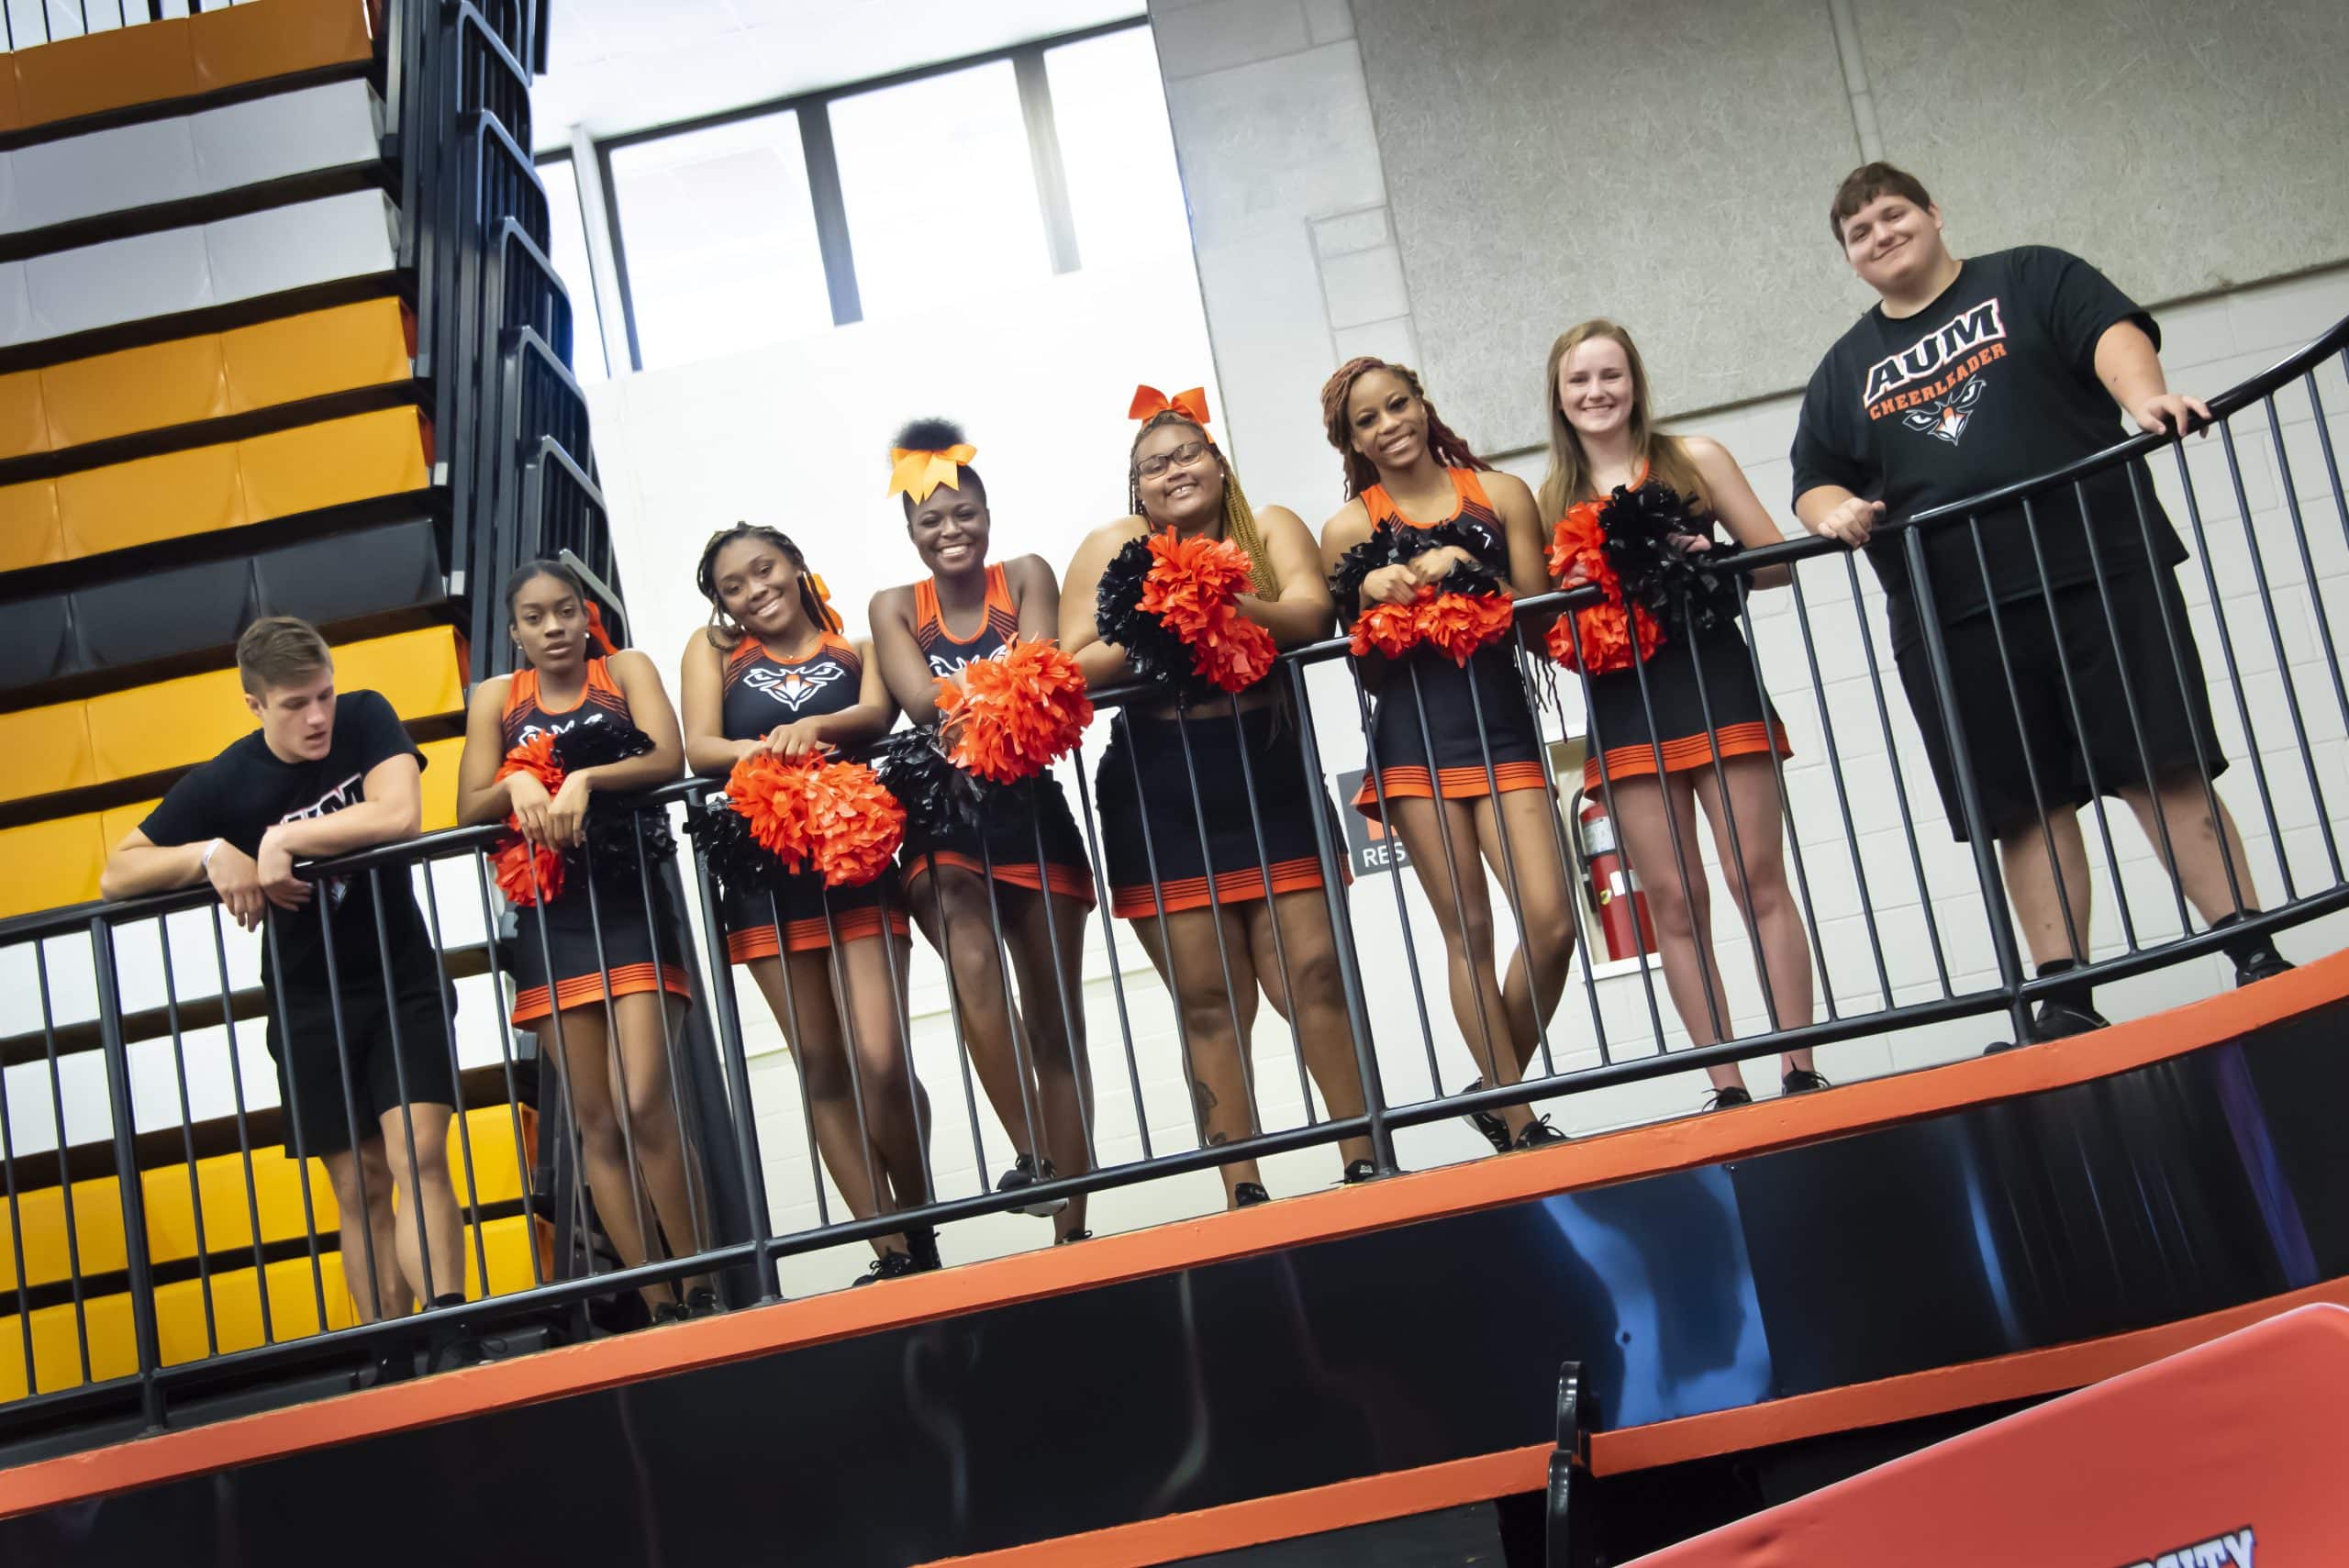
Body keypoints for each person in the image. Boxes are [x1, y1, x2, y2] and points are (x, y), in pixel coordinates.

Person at [1790, 162, 2291, 1040]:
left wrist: (2145, 399)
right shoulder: (1843, 369)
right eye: (1859, 231)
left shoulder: (2029, 276)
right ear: (1850, 258)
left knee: (2160, 761)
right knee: (2022, 803)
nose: (1881, 235)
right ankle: (2063, 995)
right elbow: (1812, 477)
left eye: (1892, 213)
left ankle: (2252, 950)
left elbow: (2111, 333)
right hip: (1954, 612)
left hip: (2096, 561)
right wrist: (1829, 509)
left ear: (1935, 212)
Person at [100, 617, 471, 1362]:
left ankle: (452, 1330)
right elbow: (117, 871)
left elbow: (400, 813)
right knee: (360, 1181)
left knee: (418, 1151)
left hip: (400, 973)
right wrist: (209, 853)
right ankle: (391, 1351)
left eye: (324, 695)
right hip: (309, 999)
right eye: (296, 703)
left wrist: (282, 839)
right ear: (254, 705)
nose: (318, 716)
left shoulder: (366, 716)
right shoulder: (228, 779)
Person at [1060, 387, 1375, 1206]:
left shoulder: (1266, 528)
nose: (1174, 470)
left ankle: (1363, 1157)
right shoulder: (1116, 545)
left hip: (1266, 772)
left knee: (1311, 972)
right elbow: (1072, 660)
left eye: (1188, 452)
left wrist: (1223, 603)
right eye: (1154, 465)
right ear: (1138, 491)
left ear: (1218, 463)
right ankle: (1242, 1187)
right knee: (1212, 997)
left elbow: (1310, 613)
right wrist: (1159, 615)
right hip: (1161, 786)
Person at [1542, 319, 1822, 1109]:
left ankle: (1798, 1067)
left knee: (1754, 875)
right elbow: (1538, 625)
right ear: (1559, 398)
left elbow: (1776, 566)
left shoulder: (1694, 459)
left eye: (1611, 375)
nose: (1597, 392)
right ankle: (1726, 1083)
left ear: (1635, 383)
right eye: (1579, 381)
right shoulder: (1550, 497)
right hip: (1625, 706)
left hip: (1715, 680)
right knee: (1671, 896)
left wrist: (1714, 558)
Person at [1318, 357, 1575, 1151]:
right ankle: (1521, 1120)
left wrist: (1475, 566)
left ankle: (1496, 1088)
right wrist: (1366, 595)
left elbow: (1539, 619)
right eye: (1368, 419)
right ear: (1351, 439)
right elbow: (1363, 667)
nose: (1389, 424)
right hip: (1412, 740)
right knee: (1467, 930)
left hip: (1502, 729)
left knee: (1553, 920)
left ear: (1423, 403)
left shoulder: (1500, 495)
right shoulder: (1349, 527)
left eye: (1398, 404)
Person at [680, 523, 938, 1283]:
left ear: (795, 566)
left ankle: (919, 1219)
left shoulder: (855, 650)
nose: (756, 590)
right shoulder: (715, 655)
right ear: (723, 602)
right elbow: (700, 745)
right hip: (763, 876)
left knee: (881, 1056)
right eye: (735, 586)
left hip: (853, 864)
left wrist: (815, 727)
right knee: (822, 1065)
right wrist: (771, 750)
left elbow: (877, 715)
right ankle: (888, 1248)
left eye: (765, 570)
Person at [455, 559, 713, 1318]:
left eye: (565, 610)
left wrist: (585, 779)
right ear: (515, 632)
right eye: (535, 617)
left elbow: (667, 756)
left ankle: (706, 1278)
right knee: (594, 1116)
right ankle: (659, 1297)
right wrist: (516, 783)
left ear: (585, 613)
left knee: (644, 1101)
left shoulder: (624, 667)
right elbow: (469, 802)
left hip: (629, 898)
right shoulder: (495, 699)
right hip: (550, 916)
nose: (554, 627)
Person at [869, 421, 1097, 1244]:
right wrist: (983, 695)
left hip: (1033, 811)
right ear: (911, 532)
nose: (950, 530)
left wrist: (985, 695)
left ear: (987, 513)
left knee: (1056, 1020)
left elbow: (1038, 668)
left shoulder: (1027, 573)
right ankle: (1033, 1154)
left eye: (964, 513)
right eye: (932, 521)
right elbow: (923, 702)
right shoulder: (894, 605)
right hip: (943, 815)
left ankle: (1073, 1226)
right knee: (970, 958)